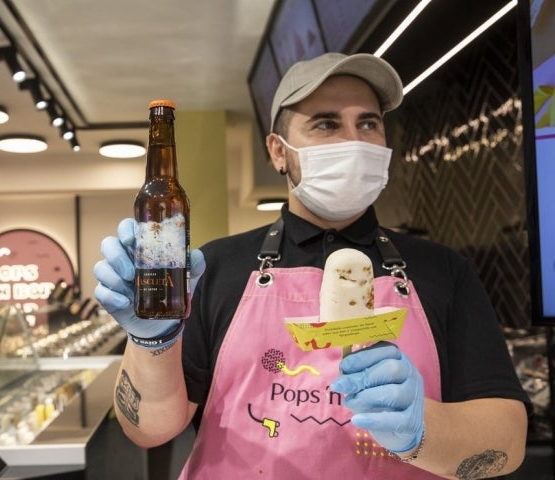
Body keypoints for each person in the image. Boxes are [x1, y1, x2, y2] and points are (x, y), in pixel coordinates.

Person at [94, 52, 530, 478]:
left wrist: (420, 429)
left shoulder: (443, 270)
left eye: (368, 123)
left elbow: (506, 443)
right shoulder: (219, 266)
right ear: (277, 151)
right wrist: (153, 341)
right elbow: (148, 428)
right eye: (326, 123)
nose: (353, 140)